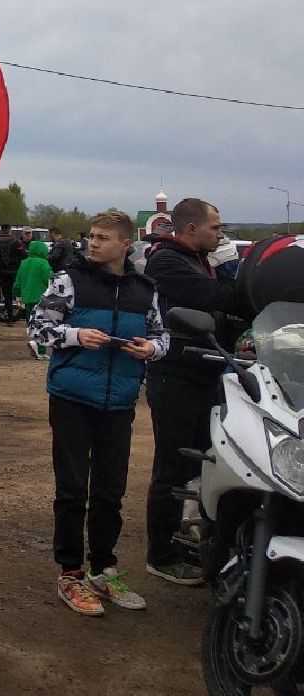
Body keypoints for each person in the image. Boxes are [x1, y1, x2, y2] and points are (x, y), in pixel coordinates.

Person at [29, 208, 168, 616]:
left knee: (110, 491)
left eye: (102, 237)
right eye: (91, 236)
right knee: (71, 490)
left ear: (126, 244)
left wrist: (152, 349)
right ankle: (70, 574)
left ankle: (104, 570)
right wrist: (74, 335)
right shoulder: (69, 281)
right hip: (72, 397)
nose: (93, 243)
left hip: (120, 401)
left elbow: (163, 336)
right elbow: (37, 328)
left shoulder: (146, 289)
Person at [143, 197, 251, 586]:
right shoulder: (166, 262)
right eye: (216, 228)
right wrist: (236, 280)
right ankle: (162, 554)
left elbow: (231, 309)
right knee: (172, 465)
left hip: (206, 374)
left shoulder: (199, 260)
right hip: (176, 377)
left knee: (205, 461)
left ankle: (196, 535)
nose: (220, 234)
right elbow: (219, 300)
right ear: (191, 229)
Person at [14, 239, 53, 358]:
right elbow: (50, 279)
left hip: (27, 299)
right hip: (41, 299)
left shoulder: (24, 263)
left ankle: (36, 346)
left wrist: (18, 296)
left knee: (31, 324)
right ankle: (40, 350)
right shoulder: (43, 263)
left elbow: (17, 283)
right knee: (42, 325)